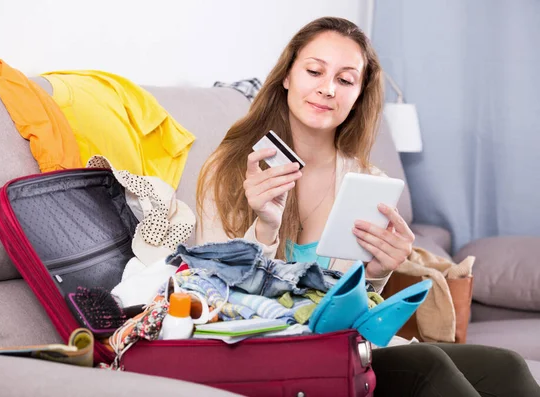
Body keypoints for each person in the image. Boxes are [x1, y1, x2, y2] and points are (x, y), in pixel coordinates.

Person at [194, 16, 540, 397]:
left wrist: (376, 272)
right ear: (287, 76)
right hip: (271, 348)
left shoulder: (365, 180)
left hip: (343, 347)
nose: (327, 89)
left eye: (345, 80)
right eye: (314, 71)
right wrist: (264, 229)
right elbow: (211, 291)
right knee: (429, 364)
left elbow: (356, 304)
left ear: (358, 95)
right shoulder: (230, 170)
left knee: (507, 364)